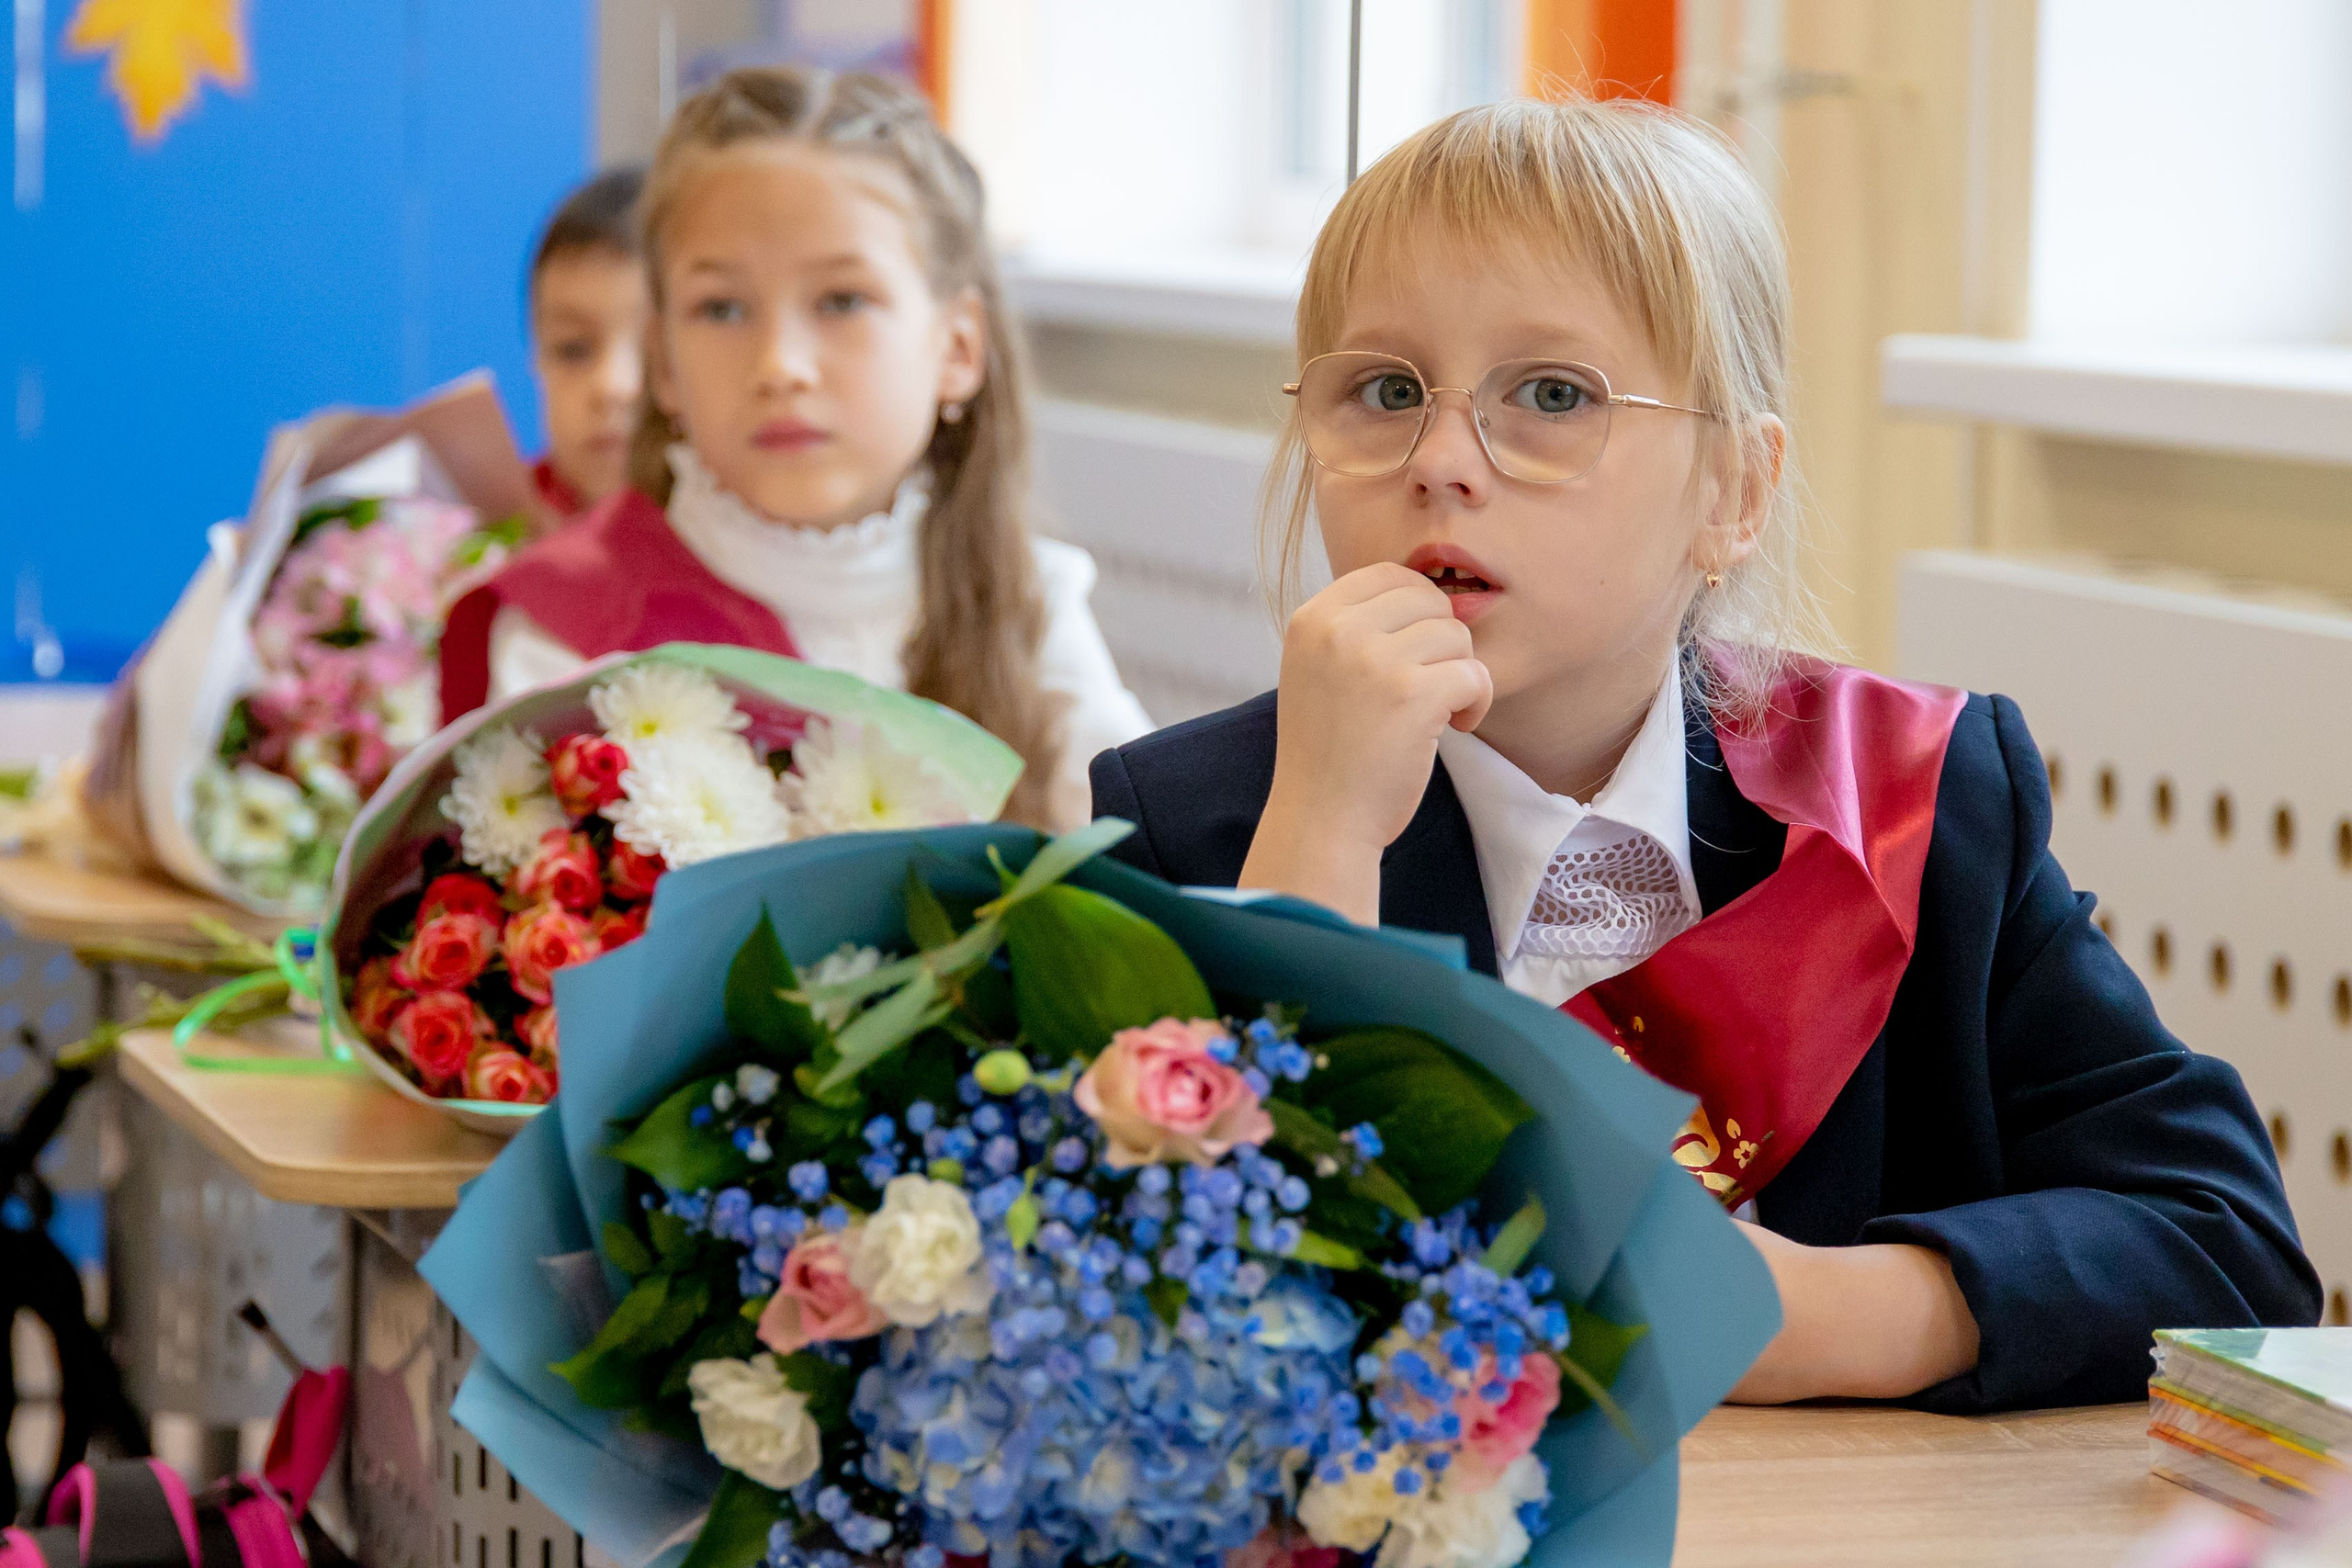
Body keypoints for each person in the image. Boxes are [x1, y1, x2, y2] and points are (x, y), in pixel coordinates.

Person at [1089, 96, 2319, 1411]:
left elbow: (2228, 1241)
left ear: (1733, 494)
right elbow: (1144, 1327)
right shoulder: (1193, 821)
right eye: (1386, 391)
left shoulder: (1917, 799)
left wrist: (1839, 1313)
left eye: (1551, 394)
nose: (1442, 459)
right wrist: (1323, 837)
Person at [442, 69, 1150, 829]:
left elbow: (1155, 891)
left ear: (958, 346)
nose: (780, 364)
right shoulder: (568, 625)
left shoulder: (1030, 602)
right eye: (721, 308)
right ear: (664, 362)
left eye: (842, 300)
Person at [526, 165, 650, 516]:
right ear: (536, 361)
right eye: (573, 349)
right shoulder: (491, 542)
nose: (613, 385)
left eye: (652, 350)